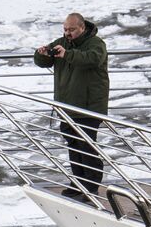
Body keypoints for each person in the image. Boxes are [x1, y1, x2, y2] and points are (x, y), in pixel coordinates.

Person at [33, 13, 109, 199]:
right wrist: (41, 54)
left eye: (72, 30)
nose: (68, 33)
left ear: (82, 28)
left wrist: (67, 54)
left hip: (87, 107)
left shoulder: (96, 44)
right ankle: (78, 184)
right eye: (65, 29)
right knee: (73, 146)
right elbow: (43, 62)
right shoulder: (62, 42)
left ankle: (91, 188)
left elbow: (91, 59)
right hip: (66, 107)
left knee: (86, 147)